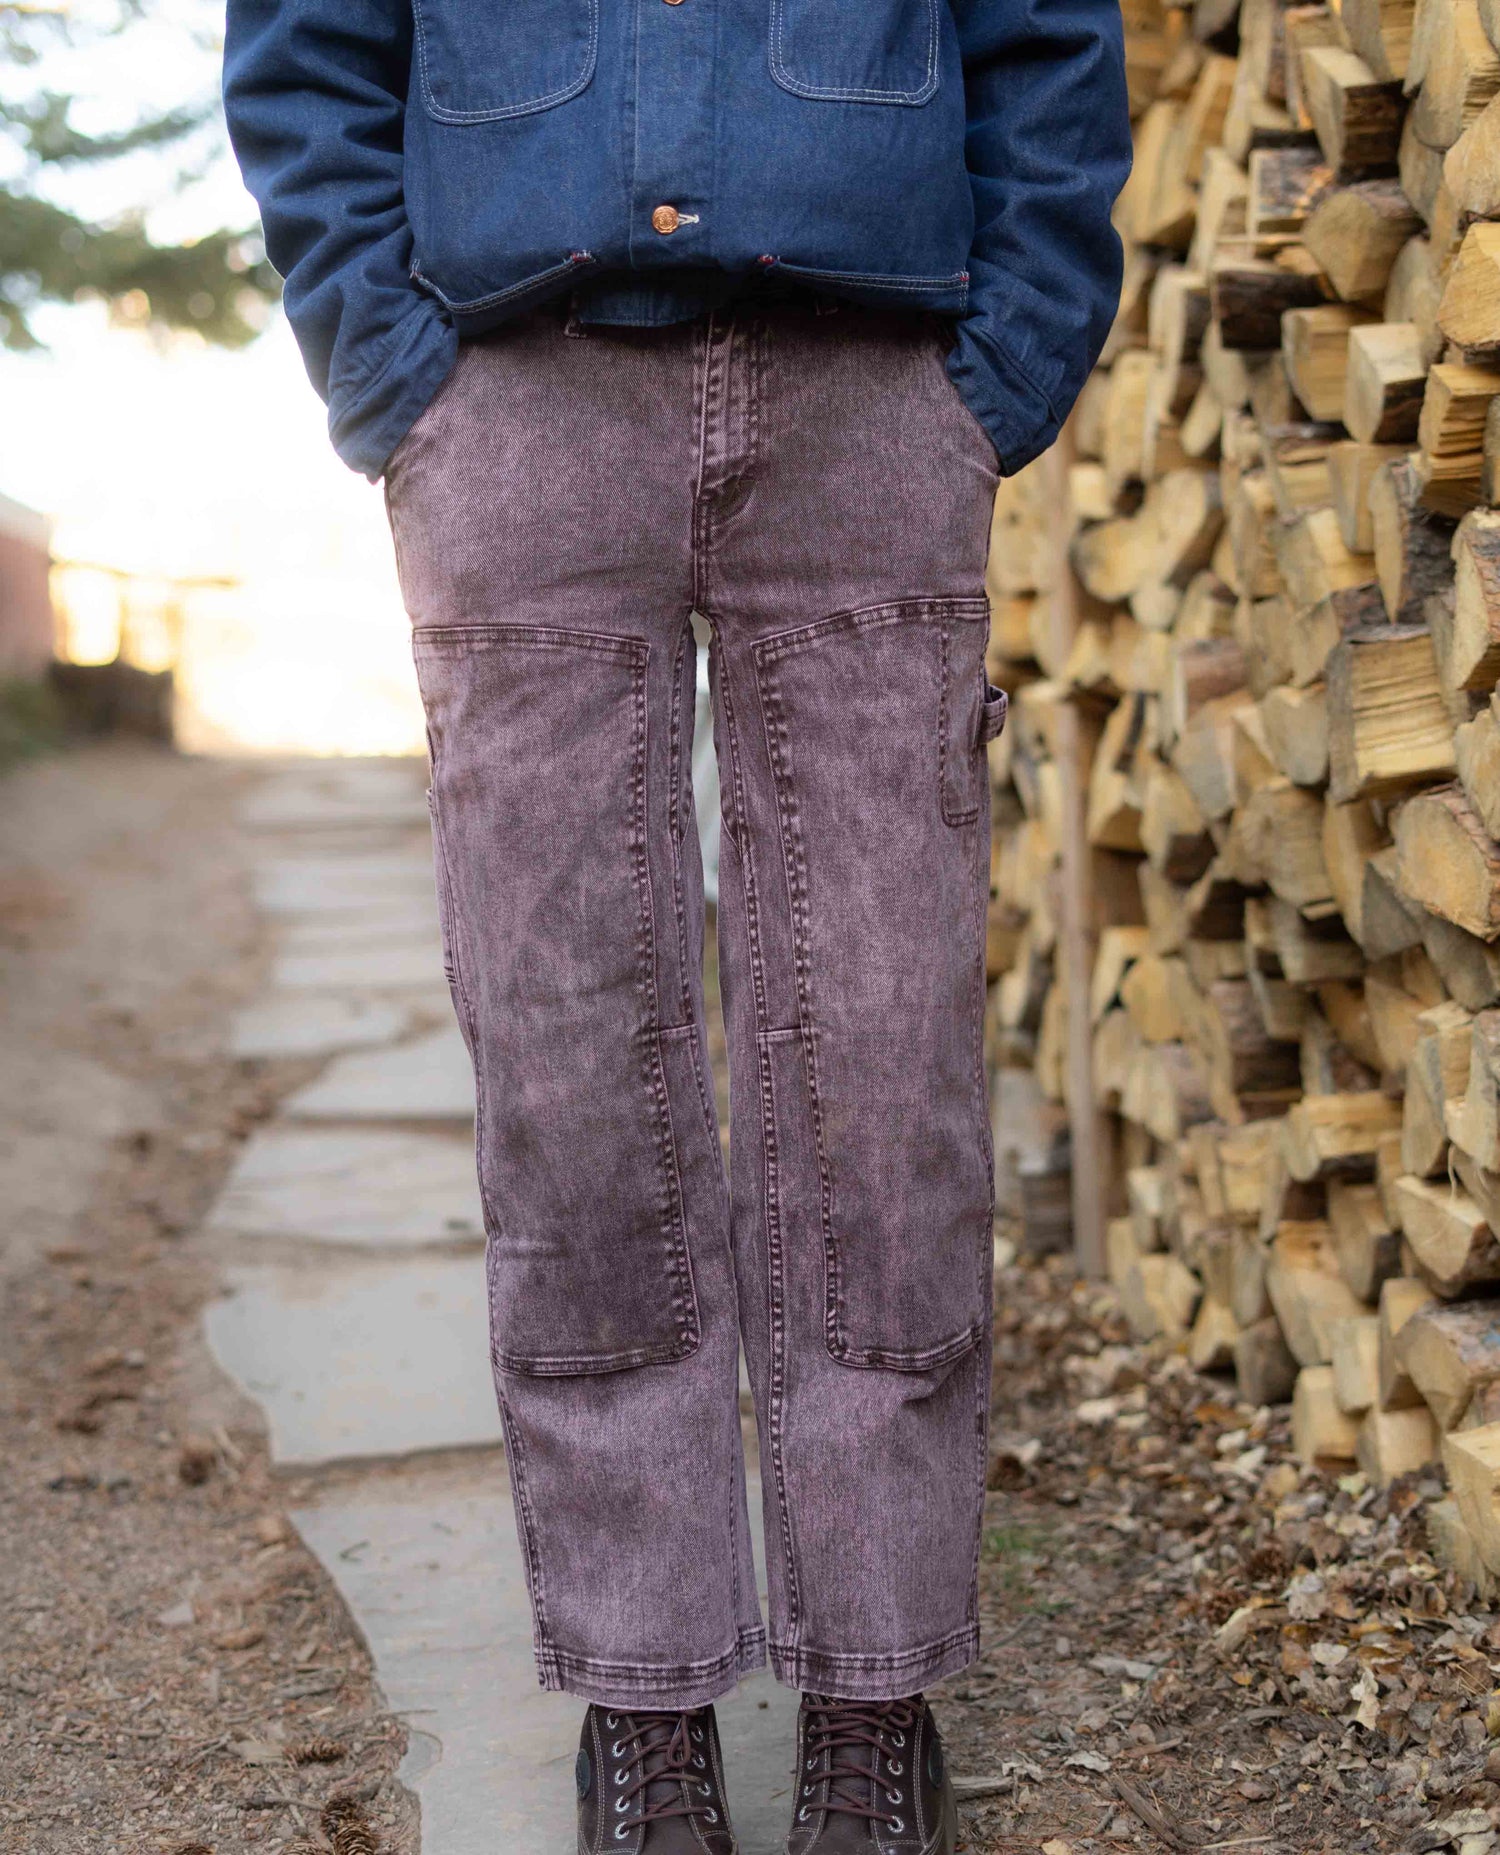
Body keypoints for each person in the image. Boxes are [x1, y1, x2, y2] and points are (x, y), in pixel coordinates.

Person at [223, 4, 1130, 1847]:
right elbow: (306, 57)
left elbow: (1047, 44)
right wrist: (399, 388)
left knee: (887, 1091)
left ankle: (877, 1689)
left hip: (872, 404)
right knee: (570, 1089)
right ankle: (645, 1692)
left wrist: (997, 380)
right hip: (522, 410)